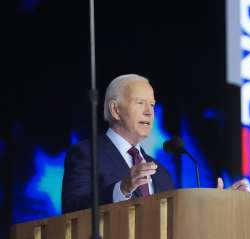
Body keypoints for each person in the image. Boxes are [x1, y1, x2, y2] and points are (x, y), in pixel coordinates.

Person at [62, 74, 174, 213]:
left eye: (152, 105)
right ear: (115, 110)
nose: (149, 112)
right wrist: (122, 189)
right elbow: (73, 208)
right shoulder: (86, 154)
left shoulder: (161, 173)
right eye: (140, 103)